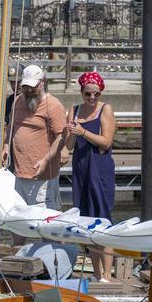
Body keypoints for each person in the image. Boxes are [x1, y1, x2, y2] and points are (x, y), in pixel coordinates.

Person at [2, 64, 67, 245]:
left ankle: (51, 258)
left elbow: (61, 137)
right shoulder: (17, 102)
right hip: (18, 172)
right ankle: (19, 255)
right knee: (17, 218)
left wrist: (46, 159)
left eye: (33, 86)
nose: (29, 90)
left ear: (43, 82)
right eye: (25, 87)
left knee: (45, 220)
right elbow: (11, 127)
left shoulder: (53, 105)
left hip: (42, 175)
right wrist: (6, 146)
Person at [64, 71, 116, 282]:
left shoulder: (106, 109)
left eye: (96, 94)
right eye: (88, 94)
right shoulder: (74, 111)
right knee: (87, 223)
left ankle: (107, 275)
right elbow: (68, 146)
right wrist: (69, 131)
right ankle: (96, 273)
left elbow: (106, 142)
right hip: (82, 169)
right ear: (81, 92)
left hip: (100, 169)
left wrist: (83, 132)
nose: (92, 98)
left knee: (103, 220)